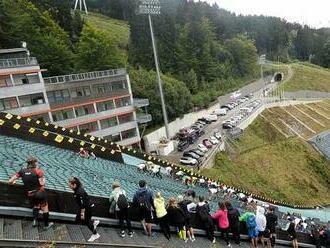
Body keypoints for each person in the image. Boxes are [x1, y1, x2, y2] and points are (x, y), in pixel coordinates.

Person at [9, 157, 54, 230]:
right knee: (45, 209)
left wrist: (13, 182)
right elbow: (42, 183)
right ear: (35, 163)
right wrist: (43, 179)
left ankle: (34, 221)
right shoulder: (39, 172)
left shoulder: (22, 171)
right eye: (36, 162)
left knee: (36, 206)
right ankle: (46, 225)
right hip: (40, 193)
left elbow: (10, 181)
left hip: (31, 194)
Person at [68, 177, 100, 242]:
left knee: (86, 221)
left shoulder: (79, 192)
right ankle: (94, 222)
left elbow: (83, 204)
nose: (69, 186)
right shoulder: (77, 190)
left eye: (70, 185)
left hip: (87, 208)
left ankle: (95, 234)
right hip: (85, 206)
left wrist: (82, 213)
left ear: (74, 185)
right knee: (77, 219)